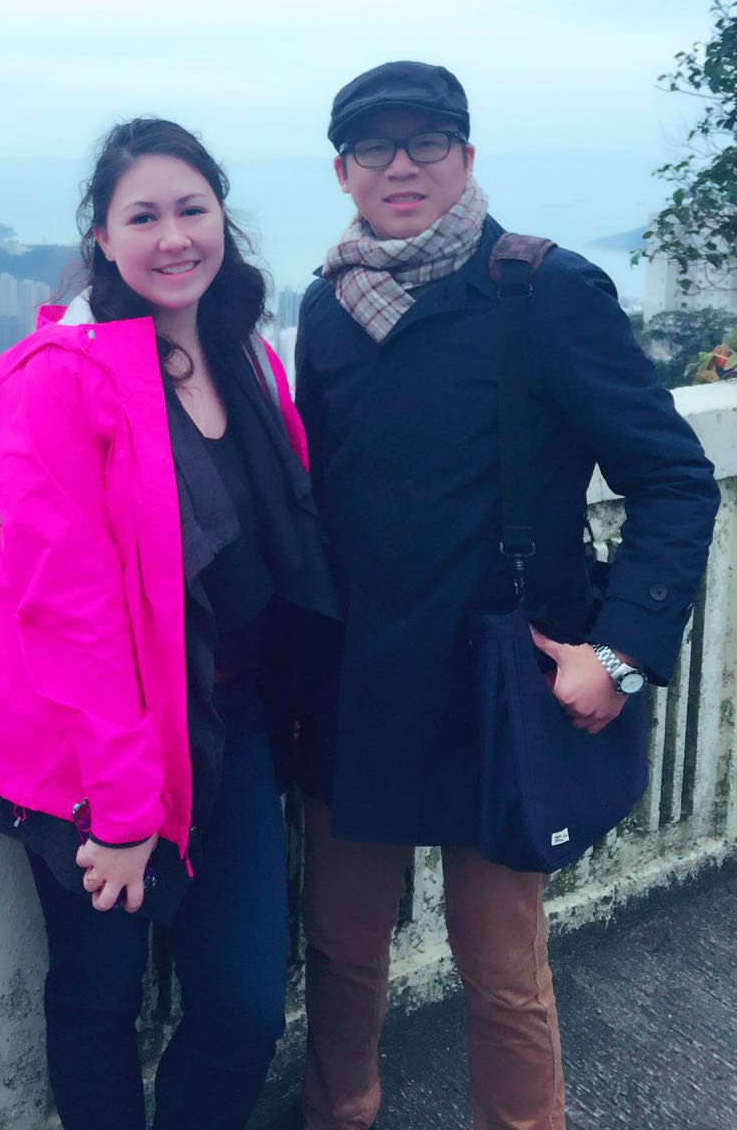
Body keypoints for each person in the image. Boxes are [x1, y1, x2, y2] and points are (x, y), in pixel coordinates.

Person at [292, 61, 720, 1130]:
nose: (402, 164)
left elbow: (671, 475)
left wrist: (621, 651)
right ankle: (340, 1111)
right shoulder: (329, 305)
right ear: (342, 171)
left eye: (426, 141)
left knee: (502, 966)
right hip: (355, 682)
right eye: (375, 146)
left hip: (499, 677)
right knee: (342, 949)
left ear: (466, 158)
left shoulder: (541, 287)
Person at [0, 118, 341, 1130]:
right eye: (143, 216)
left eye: (191, 210)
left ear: (223, 218)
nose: (173, 237)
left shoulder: (247, 356)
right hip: (91, 754)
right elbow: (71, 609)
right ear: (102, 238)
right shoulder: (57, 381)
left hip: (233, 724)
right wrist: (123, 813)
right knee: (100, 999)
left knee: (247, 1005)